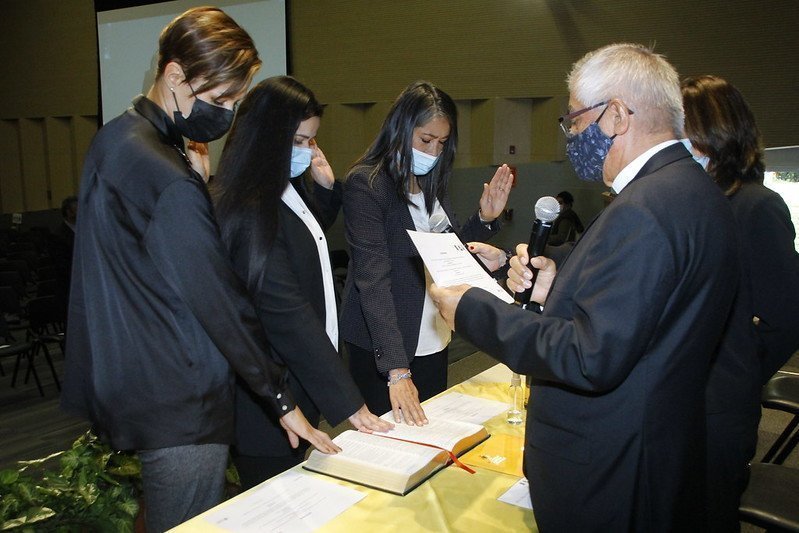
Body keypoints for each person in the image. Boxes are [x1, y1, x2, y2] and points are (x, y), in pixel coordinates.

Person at [430, 43, 739, 531]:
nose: (572, 136)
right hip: (651, 446)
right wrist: (556, 283)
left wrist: (472, 308)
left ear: (615, 114)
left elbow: (589, 356)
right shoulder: (696, 193)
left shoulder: (642, 209)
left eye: (574, 122)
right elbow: (644, 313)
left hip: (608, 467)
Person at [60, 8, 337, 532]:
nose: (228, 113)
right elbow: (217, 298)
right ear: (174, 76)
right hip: (183, 394)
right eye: (221, 100)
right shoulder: (166, 175)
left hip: (136, 373)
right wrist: (280, 397)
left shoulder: (116, 139)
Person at [212, 76, 392, 489]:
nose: (307, 151)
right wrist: (350, 403)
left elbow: (303, 241)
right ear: (265, 136)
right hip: (269, 399)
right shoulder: (249, 205)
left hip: (300, 381)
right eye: (298, 140)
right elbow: (285, 311)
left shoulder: (281, 188)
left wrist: (327, 191)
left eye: (312, 140)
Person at [340, 81, 513, 425]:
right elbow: (372, 280)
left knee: (432, 434)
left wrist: (485, 219)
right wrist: (397, 371)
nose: (433, 153)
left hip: (431, 335)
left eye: (442, 143)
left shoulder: (432, 185)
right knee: (390, 444)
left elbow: (446, 254)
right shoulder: (367, 185)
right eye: (425, 140)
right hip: (385, 343)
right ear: (400, 130)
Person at [681, 74, 799, 532]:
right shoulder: (687, 201)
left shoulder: (756, 206)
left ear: (716, 135)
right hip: (675, 404)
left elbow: (784, 319)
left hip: (716, 411)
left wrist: (733, 371)